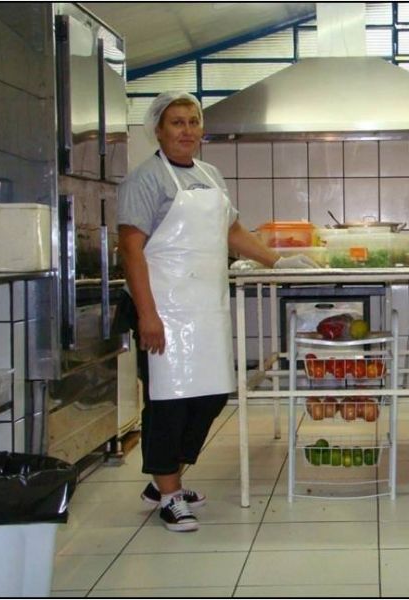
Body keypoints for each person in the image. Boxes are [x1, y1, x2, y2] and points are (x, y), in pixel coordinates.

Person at [117, 91, 315, 532]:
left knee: (209, 396)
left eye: (193, 121)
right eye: (177, 122)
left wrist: (278, 261)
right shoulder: (145, 180)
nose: (187, 130)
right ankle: (169, 494)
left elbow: (233, 231)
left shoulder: (211, 175)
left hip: (205, 308)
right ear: (158, 130)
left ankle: (163, 479)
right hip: (163, 309)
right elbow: (130, 250)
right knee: (168, 402)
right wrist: (147, 314)